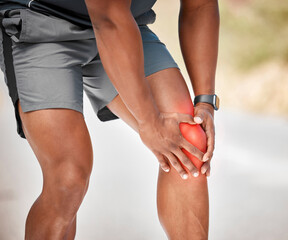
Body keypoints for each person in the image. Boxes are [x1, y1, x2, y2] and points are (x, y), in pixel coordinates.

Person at [0, 0, 219, 239]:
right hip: (40, 21)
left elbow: (200, 5)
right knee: (68, 177)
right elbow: (108, 18)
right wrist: (149, 122)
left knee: (188, 138)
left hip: (126, 23)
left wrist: (205, 101)